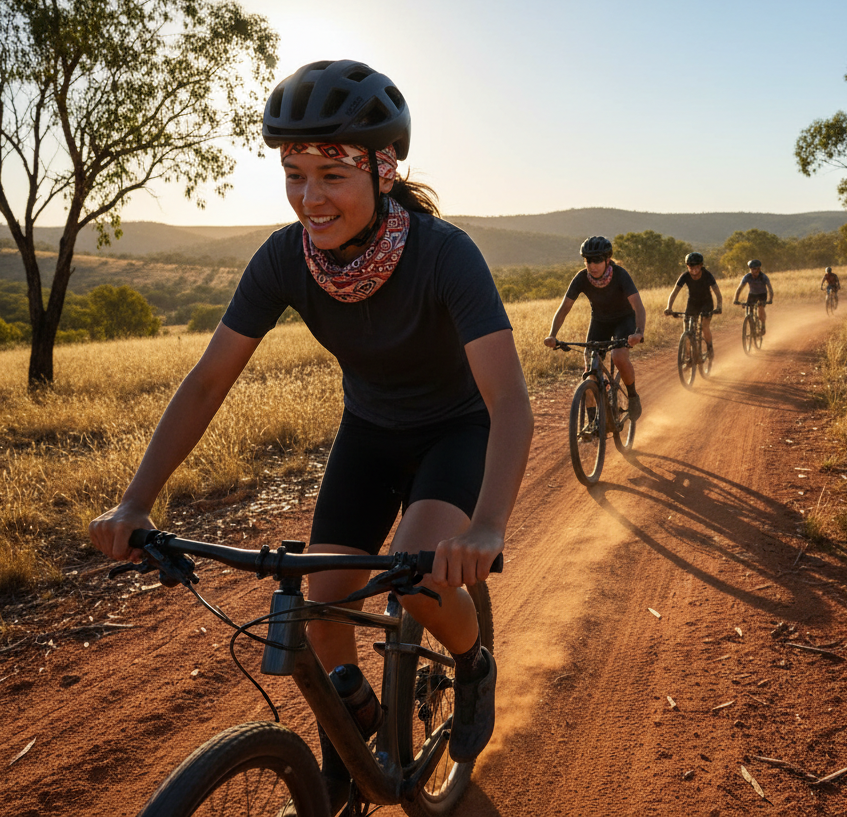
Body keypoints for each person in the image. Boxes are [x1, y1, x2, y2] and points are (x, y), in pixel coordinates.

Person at [89, 59, 534, 810]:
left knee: (422, 577)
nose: (309, 197)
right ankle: (355, 743)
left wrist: (487, 526)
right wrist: (136, 502)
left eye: (332, 174)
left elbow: (510, 402)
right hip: (370, 432)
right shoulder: (283, 260)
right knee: (323, 606)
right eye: (294, 175)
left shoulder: (444, 253)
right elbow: (207, 381)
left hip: (457, 430)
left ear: (383, 171)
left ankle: (471, 661)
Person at [543, 236, 646, 425]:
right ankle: (593, 425)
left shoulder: (620, 275)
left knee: (618, 356)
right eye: (588, 260)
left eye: (597, 260)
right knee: (590, 370)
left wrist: (638, 332)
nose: (592, 265)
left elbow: (638, 306)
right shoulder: (581, 278)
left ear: (607, 259)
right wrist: (552, 335)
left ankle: (632, 396)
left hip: (624, 320)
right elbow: (564, 308)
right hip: (600, 321)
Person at [664, 251, 723, 359]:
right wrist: (669, 307)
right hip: (692, 302)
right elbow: (675, 292)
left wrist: (719, 306)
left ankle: (710, 348)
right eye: (691, 267)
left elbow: (717, 293)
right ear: (687, 266)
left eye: (697, 267)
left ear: (701, 265)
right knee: (686, 327)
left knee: (704, 326)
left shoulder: (707, 275)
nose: (694, 270)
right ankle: (688, 355)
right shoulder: (685, 276)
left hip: (706, 302)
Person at [732, 259, 773, 334]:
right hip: (752, 294)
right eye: (751, 269)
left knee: (760, 308)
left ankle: (763, 326)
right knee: (748, 309)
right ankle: (752, 326)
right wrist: (736, 299)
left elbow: (770, 288)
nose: (752, 271)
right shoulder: (747, 276)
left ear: (758, 269)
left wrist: (770, 299)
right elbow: (740, 288)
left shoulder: (763, 277)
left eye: (754, 269)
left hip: (762, 294)